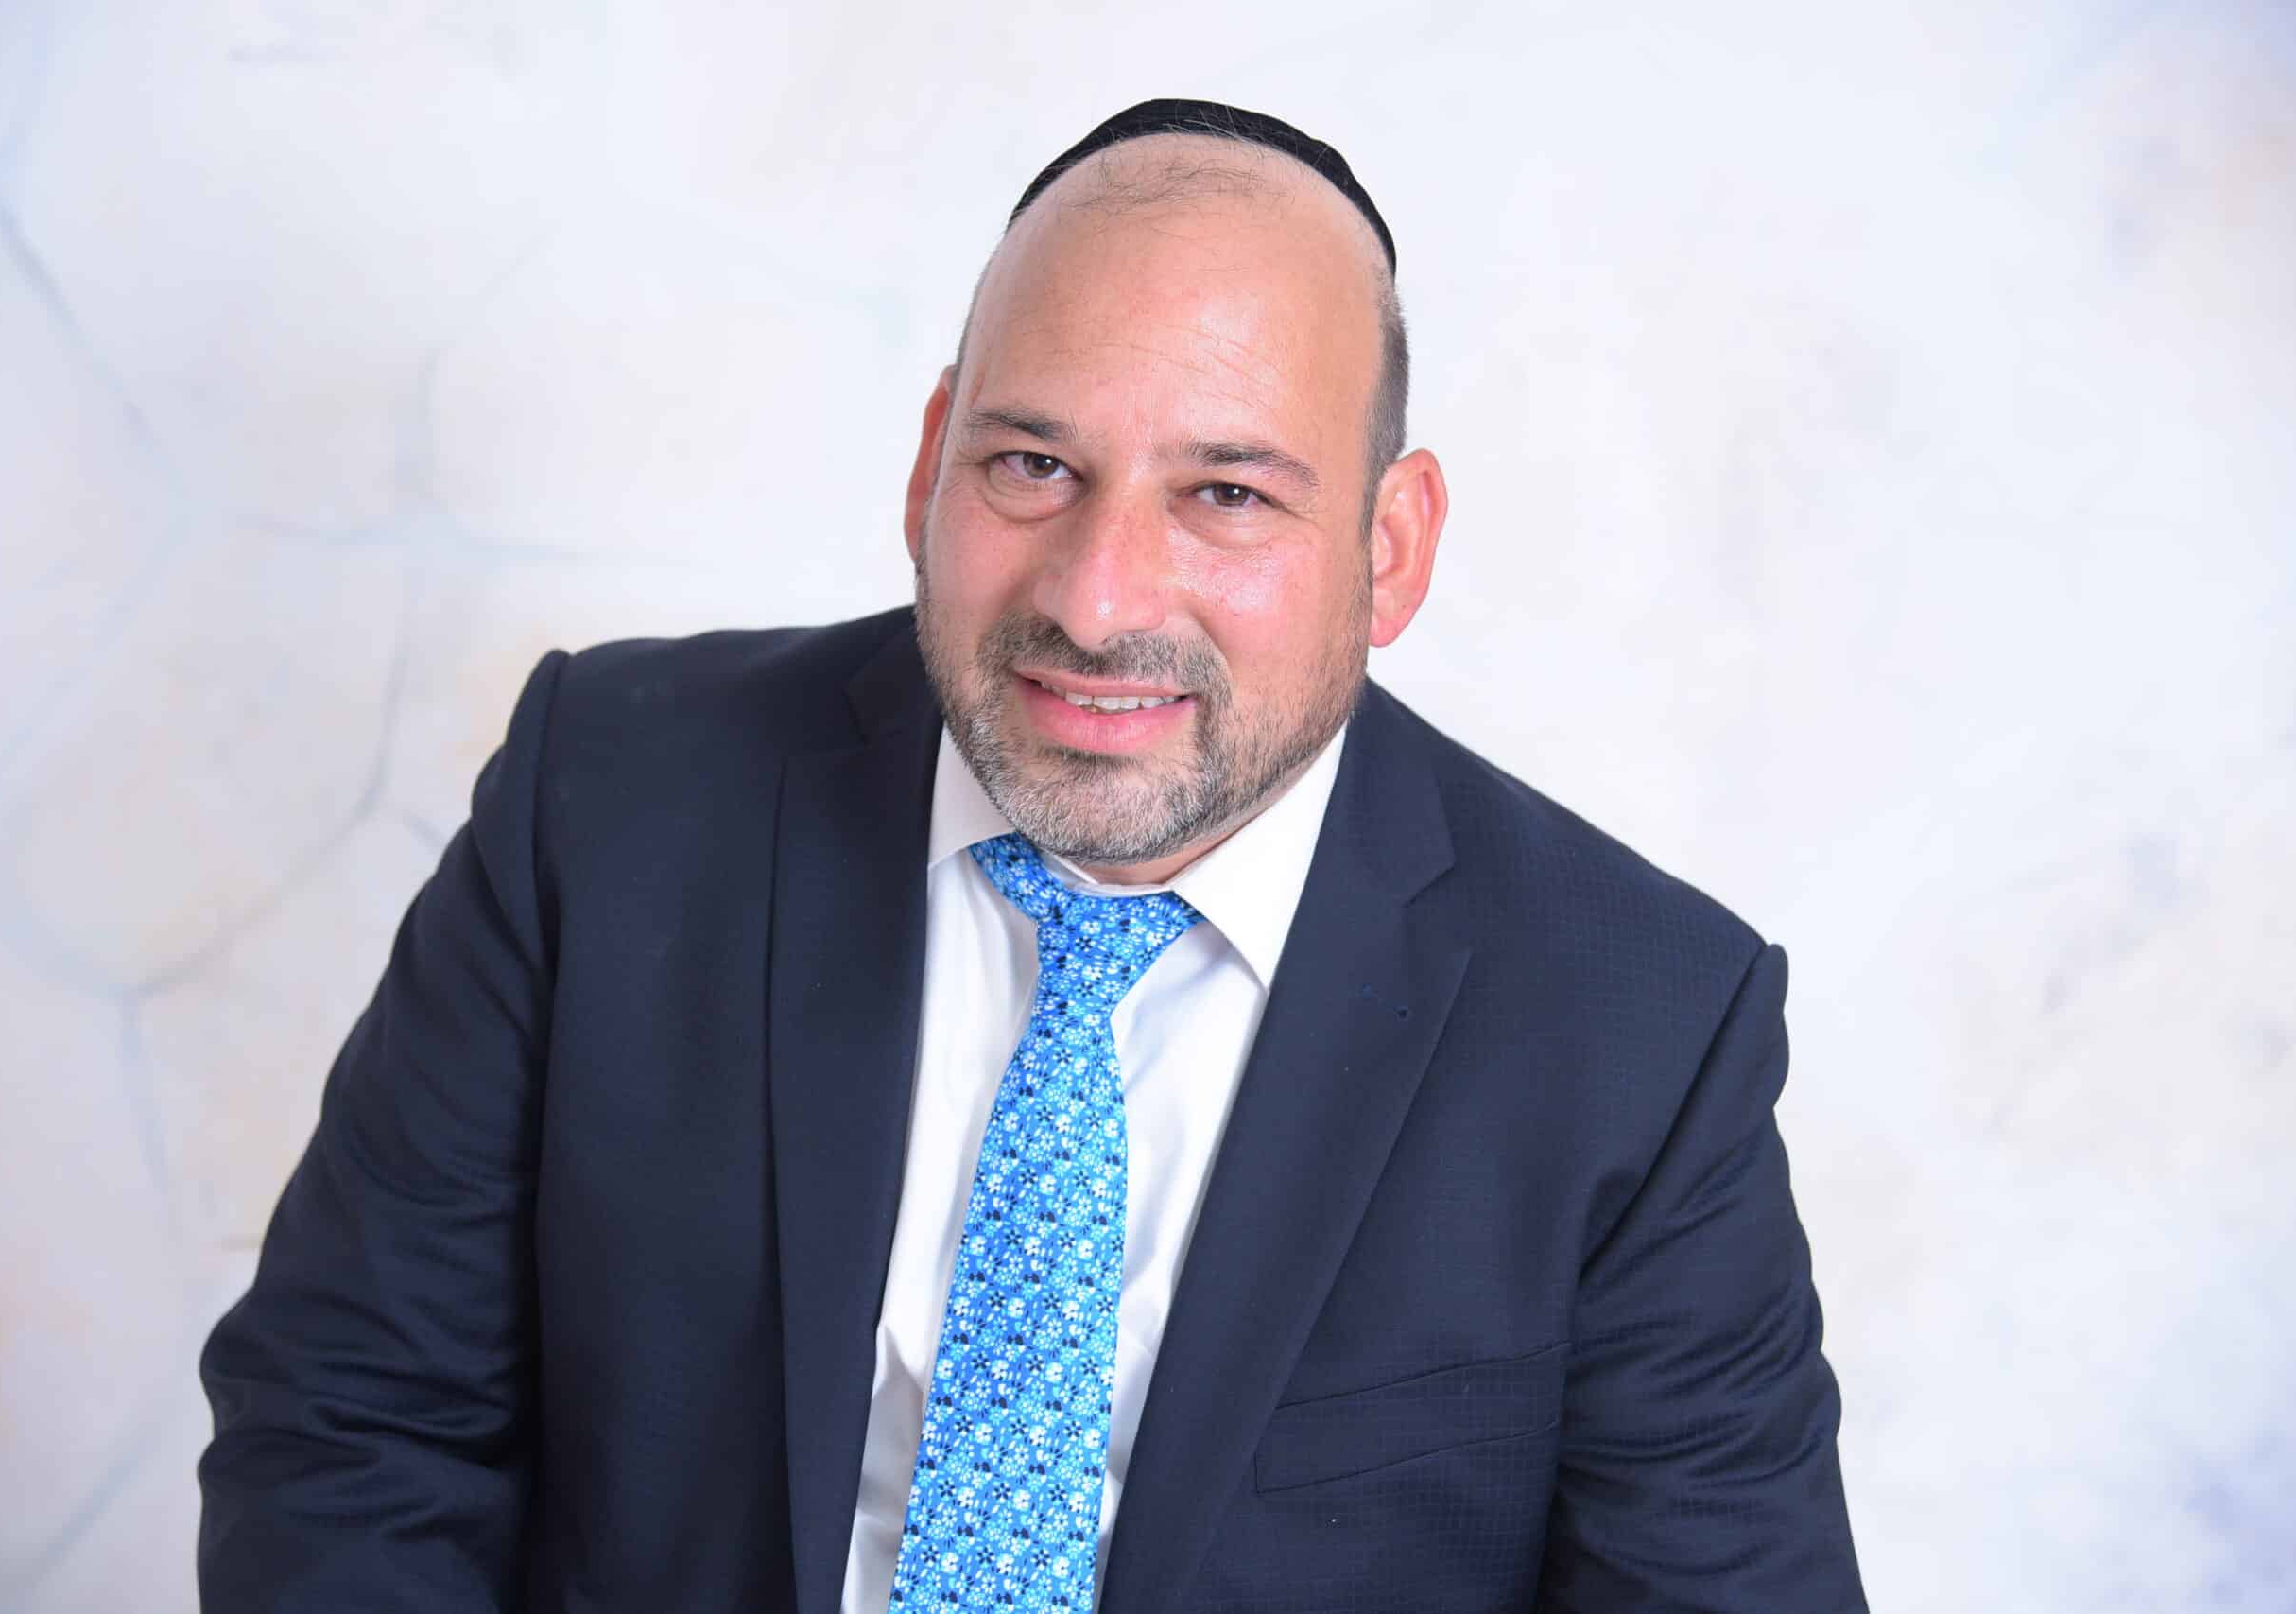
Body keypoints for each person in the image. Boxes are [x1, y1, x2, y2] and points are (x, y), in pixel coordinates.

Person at [196, 99, 1867, 1613]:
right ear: (931, 463)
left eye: (1226, 494)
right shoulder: (612, 802)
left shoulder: (1639, 1030)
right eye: (1033, 465)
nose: (1097, 595)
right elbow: (352, 1426)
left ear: (1390, 544)